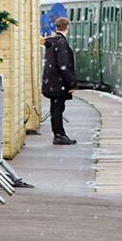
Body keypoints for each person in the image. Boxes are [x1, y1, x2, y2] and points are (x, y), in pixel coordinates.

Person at [42, 17, 77, 145]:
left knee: (55, 109)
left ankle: (59, 134)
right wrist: (71, 84)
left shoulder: (52, 42)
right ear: (67, 27)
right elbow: (64, 65)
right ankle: (59, 135)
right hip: (58, 84)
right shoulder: (61, 43)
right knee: (58, 109)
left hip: (51, 82)